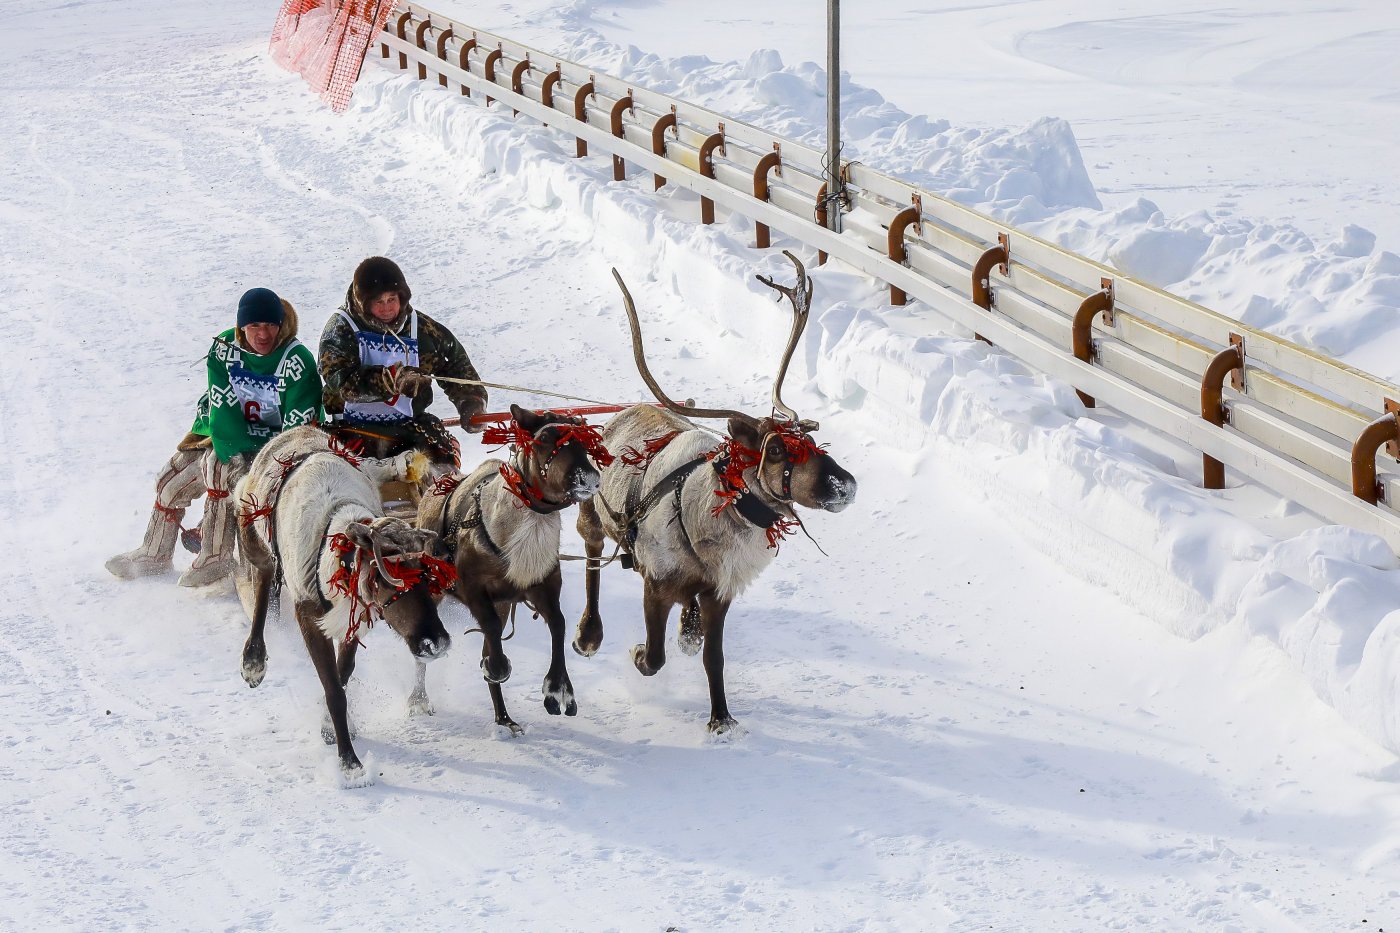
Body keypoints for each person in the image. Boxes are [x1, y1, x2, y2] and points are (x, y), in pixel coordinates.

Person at [106, 288, 323, 586]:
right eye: (254, 326)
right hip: (224, 437)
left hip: (273, 449)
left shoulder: (296, 360)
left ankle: (216, 556)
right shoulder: (224, 348)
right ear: (241, 326)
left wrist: (261, 464)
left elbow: (297, 429)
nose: (263, 334)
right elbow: (221, 406)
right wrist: (234, 450)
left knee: (220, 473)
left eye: (270, 325)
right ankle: (154, 552)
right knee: (170, 481)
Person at [318, 256, 487, 464]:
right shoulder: (341, 328)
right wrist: (392, 380)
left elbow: (454, 363)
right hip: (350, 430)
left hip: (408, 430)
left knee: (445, 470)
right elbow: (340, 381)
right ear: (363, 303)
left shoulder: (422, 329)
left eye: (392, 299)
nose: (386, 308)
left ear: (402, 297)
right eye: (378, 301)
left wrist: (471, 402)